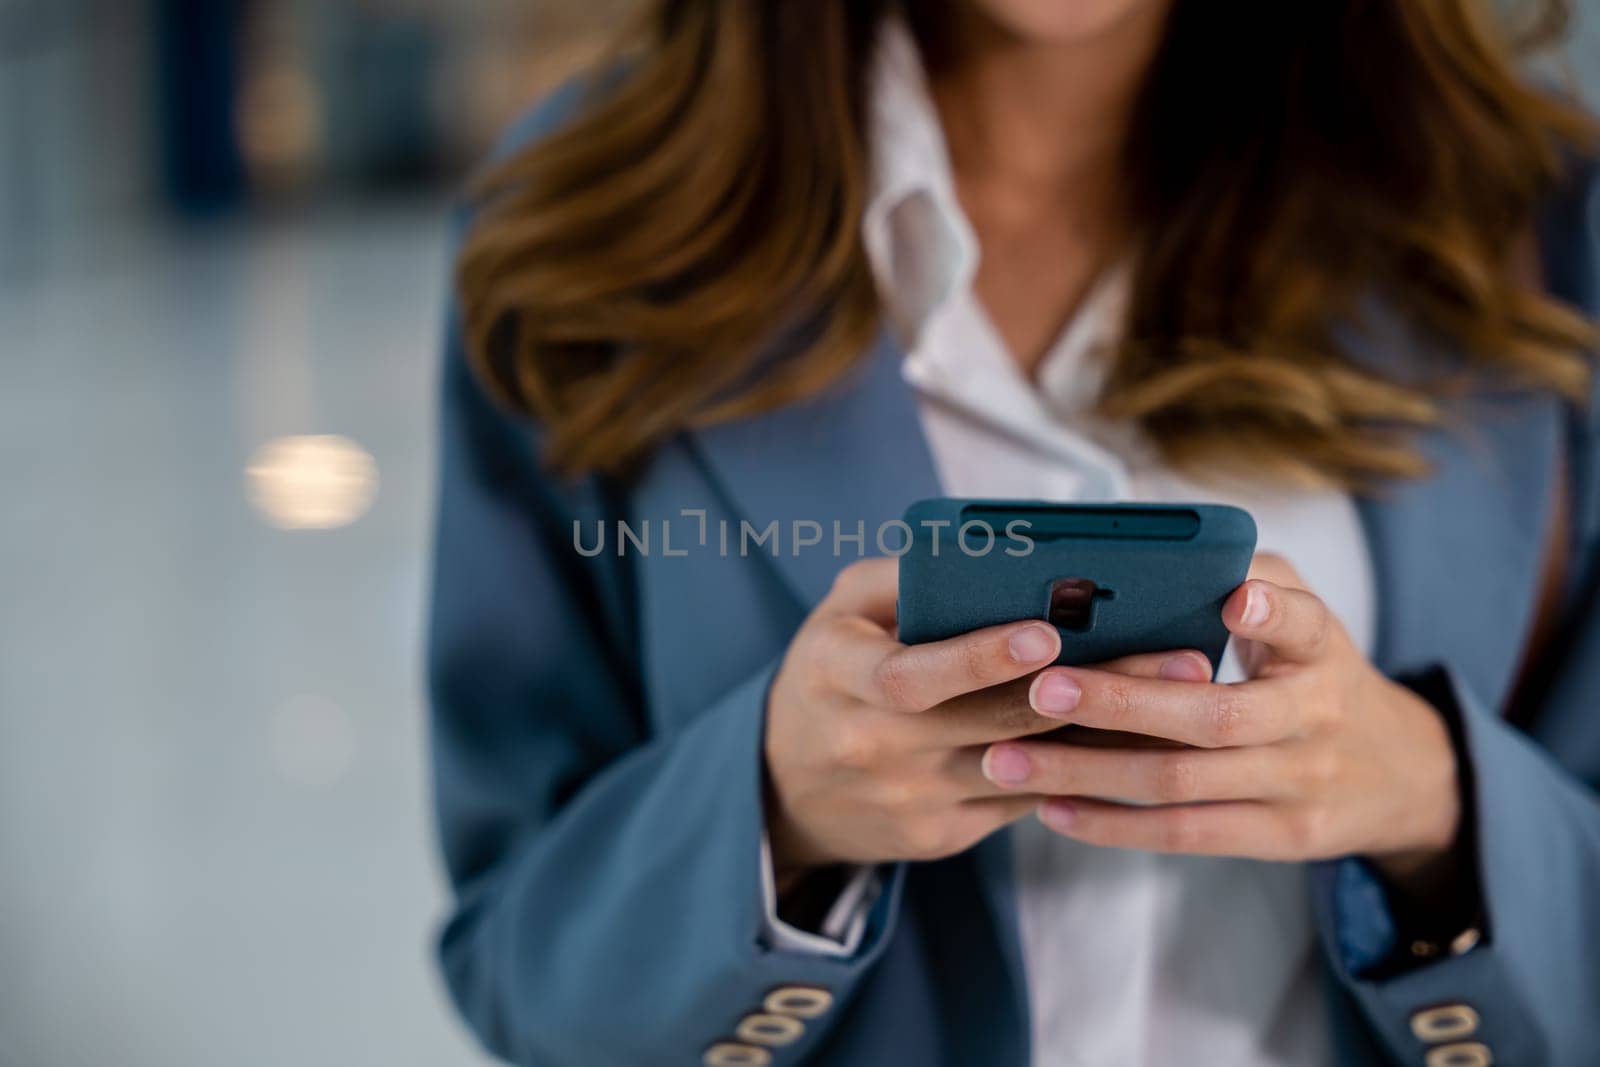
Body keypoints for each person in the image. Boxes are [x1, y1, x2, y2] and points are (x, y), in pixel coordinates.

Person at [427, 2, 1600, 1064]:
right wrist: (774, 814)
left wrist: (1439, 803)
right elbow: (529, 973)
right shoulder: (584, 231)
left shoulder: (1538, 225)